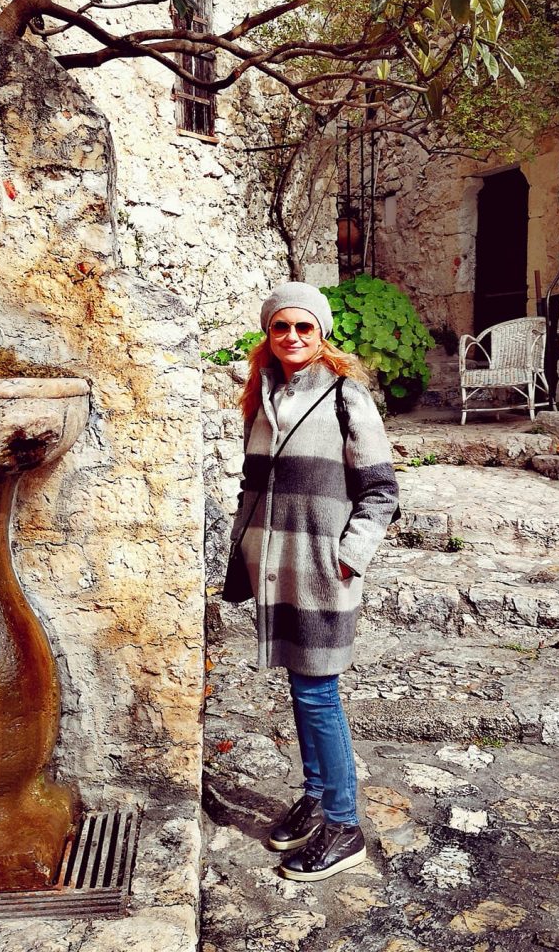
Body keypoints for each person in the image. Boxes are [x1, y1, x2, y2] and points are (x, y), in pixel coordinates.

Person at [226, 281, 399, 882]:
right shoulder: (263, 396)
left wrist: (348, 557)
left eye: (304, 327)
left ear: (321, 334)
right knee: (302, 688)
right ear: (267, 335)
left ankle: (345, 825)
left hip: (323, 568)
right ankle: (319, 797)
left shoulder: (347, 397)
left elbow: (381, 492)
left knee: (319, 692)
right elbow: (253, 488)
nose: (292, 337)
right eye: (281, 327)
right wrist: (241, 555)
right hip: (276, 567)